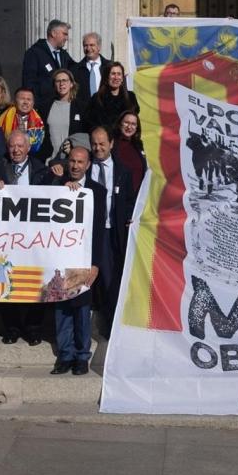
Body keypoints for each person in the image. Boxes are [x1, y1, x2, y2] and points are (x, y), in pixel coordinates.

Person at [0, 130, 52, 346]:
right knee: (5, 278)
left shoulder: (41, 170)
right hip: (5, 236)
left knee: (37, 280)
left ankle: (33, 327)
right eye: (12, 146)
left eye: (20, 146)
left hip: (33, 237)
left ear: (28, 148)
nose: (16, 150)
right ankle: (11, 327)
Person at [51, 146, 101, 375]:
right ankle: (65, 355)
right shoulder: (56, 186)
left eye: (80, 162)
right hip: (60, 260)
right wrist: (60, 188)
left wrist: (95, 264)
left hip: (84, 260)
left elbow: (101, 231)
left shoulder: (98, 192)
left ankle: (82, 356)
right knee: (62, 309)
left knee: (81, 311)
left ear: (88, 165)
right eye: (72, 161)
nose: (75, 166)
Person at [88, 126, 136, 340]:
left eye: (102, 144)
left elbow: (129, 201)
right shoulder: (84, 166)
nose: (97, 148)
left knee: (110, 281)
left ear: (111, 144)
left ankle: (109, 327)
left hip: (110, 234)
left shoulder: (122, 171)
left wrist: (131, 218)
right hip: (85, 235)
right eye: (94, 144)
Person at [38, 69, 88, 163]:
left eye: (65, 80)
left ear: (71, 84)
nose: (61, 84)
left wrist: (74, 145)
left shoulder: (81, 107)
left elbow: (86, 134)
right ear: (54, 85)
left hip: (72, 161)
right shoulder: (45, 107)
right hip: (49, 161)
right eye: (58, 81)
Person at [22, 19, 75, 104]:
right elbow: (29, 82)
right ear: (53, 33)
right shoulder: (34, 53)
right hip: (42, 106)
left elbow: (77, 69)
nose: (66, 38)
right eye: (64, 34)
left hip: (60, 104)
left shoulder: (63, 54)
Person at [84, 62, 139, 133]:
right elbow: (90, 124)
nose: (116, 77)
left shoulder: (131, 97)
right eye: (113, 74)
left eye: (119, 74)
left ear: (122, 78)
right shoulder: (97, 98)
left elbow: (134, 123)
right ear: (107, 77)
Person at [0, 88, 46, 156]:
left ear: (33, 103)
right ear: (14, 101)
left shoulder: (41, 121)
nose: (25, 102)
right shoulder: (2, 118)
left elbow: (46, 147)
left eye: (29, 99)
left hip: (33, 160)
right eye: (22, 99)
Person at [112, 111, 147, 195]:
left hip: (137, 197)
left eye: (133, 124)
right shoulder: (112, 144)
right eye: (126, 122)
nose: (129, 127)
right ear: (120, 124)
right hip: (119, 195)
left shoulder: (138, 145)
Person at [70, 32, 112, 101]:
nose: (88, 48)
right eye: (85, 45)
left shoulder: (110, 66)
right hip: (84, 110)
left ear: (99, 47)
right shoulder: (75, 70)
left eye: (92, 45)